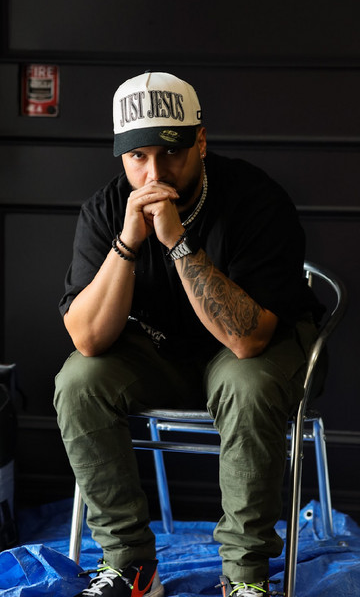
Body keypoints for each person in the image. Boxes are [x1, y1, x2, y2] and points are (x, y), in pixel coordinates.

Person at [54, 71, 324, 597]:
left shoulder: (256, 200)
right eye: (138, 156)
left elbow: (248, 340)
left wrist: (177, 241)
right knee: (78, 381)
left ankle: (245, 579)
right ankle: (132, 567)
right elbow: (87, 339)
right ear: (121, 155)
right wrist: (128, 243)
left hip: (253, 355)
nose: (154, 173)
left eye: (171, 152)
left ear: (200, 141)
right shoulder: (107, 209)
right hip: (162, 355)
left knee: (247, 384)